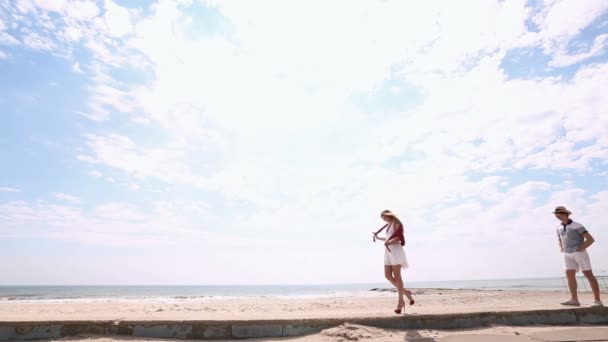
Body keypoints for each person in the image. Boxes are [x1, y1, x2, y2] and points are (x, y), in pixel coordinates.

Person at [554, 206, 603, 307]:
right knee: (569, 275)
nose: (557, 216)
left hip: (579, 253)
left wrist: (580, 249)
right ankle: (574, 300)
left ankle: (597, 301)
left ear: (565, 214)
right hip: (567, 254)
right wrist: (561, 248)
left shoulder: (577, 225)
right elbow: (559, 239)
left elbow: (590, 239)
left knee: (588, 274)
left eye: (559, 214)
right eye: (556, 214)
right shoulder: (558, 227)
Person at [372, 209, 415, 314]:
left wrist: (389, 242)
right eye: (383, 218)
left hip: (395, 251)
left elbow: (398, 239)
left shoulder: (397, 223)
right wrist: (378, 238)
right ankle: (406, 292)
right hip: (387, 252)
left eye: (384, 217)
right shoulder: (389, 225)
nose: (384, 220)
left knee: (397, 275)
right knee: (387, 275)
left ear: (389, 215)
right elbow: (388, 238)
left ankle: (400, 302)